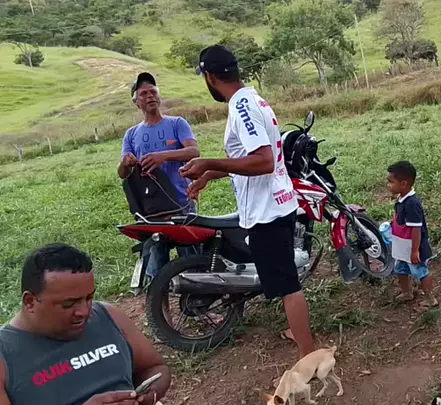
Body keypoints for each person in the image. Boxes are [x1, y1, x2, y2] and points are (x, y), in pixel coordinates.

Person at [178, 45, 315, 358]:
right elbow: (248, 160)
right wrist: (210, 174)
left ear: (210, 77)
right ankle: (298, 333)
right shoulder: (253, 100)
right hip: (276, 202)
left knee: (288, 287)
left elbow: (263, 161)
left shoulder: (241, 107)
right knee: (285, 282)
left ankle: (308, 357)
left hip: (267, 211)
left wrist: (208, 161)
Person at [0, 243, 171, 405]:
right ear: (30, 302)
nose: (84, 311)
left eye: (89, 298)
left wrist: (148, 395)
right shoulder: (5, 357)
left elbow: (156, 367)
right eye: (68, 304)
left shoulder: (109, 316)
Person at [117, 72, 201, 279]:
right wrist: (125, 163)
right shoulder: (131, 134)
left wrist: (163, 156)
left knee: (192, 261)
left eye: (153, 92)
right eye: (144, 94)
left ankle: (199, 295)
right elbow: (122, 174)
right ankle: (157, 296)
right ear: (136, 102)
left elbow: (193, 152)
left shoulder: (177, 123)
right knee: (154, 266)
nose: (150, 96)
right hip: (150, 208)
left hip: (181, 201)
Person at [386, 161, 438, 308]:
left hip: (413, 247)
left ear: (403, 183)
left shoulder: (412, 204)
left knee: (421, 272)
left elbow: (416, 229)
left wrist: (415, 251)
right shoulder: (402, 198)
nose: (388, 185)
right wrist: (393, 223)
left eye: (391, 182)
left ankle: (431, 300)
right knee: (400, 269)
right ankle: (407, 293)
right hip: (403, 246)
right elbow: (403, 219)